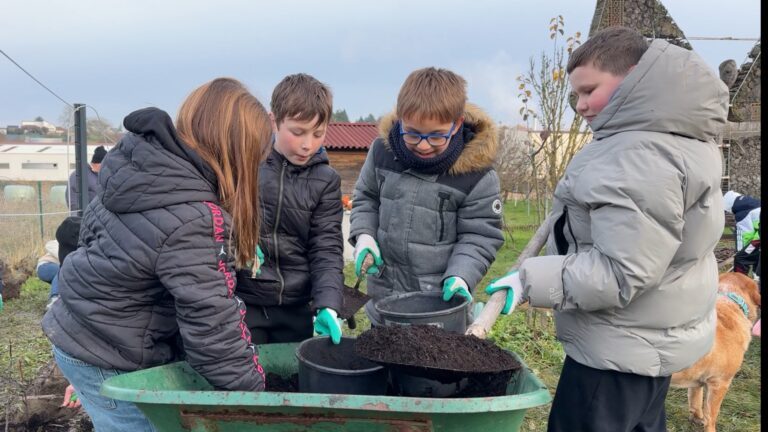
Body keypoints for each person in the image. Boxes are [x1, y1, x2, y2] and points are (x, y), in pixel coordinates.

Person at [484, 27, 728, 431]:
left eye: (589, 90)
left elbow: (621, 271)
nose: (580, 105)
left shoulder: (637, 156)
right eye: (575, 95)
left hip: (617, 349)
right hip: (648, 340)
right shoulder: (675, 137)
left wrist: (528, 280)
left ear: (634, 77)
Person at [42, 77, 272, 431]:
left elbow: (89, 238)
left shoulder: (136, 168)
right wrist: (261, 401)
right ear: (238, 155)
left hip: (80, 330)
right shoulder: (194, 217)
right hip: (109, 352)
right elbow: (213, 329)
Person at [349, 67, 504, 326]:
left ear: (456, 125)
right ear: (400, 120)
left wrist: (461, 276)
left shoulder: (476, 176)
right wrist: (364, 235)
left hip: (438, 308)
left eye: (436, 136)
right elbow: (366, 198)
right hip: (384, 301)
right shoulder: (381, 153)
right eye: (412, 133)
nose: (422, 145)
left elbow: (479, 236)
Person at [235, 73, 344, 344]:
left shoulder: (326, 181)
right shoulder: (247, 164)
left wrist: (328, 304)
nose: (308, 145)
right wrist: (237, 239)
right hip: (246, 301)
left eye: (318, 134)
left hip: (297, 306)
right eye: (297, 132)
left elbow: (326, 247)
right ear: (274, 121)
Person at [723, 190, 760, 277]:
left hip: (758, 239)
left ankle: (740, 281)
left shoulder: (741, 214)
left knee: (741, 258)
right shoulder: (752, 203)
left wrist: (740, 251)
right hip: (758, 237)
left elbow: (747, 235)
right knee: (756, 254)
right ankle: (756, 278)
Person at [67, 145, 106, 212]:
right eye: (105, 165)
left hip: (96, 213)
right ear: (99, 164)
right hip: (83, 214)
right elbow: (73, 198)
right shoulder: (80, 174)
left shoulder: (96, 175)